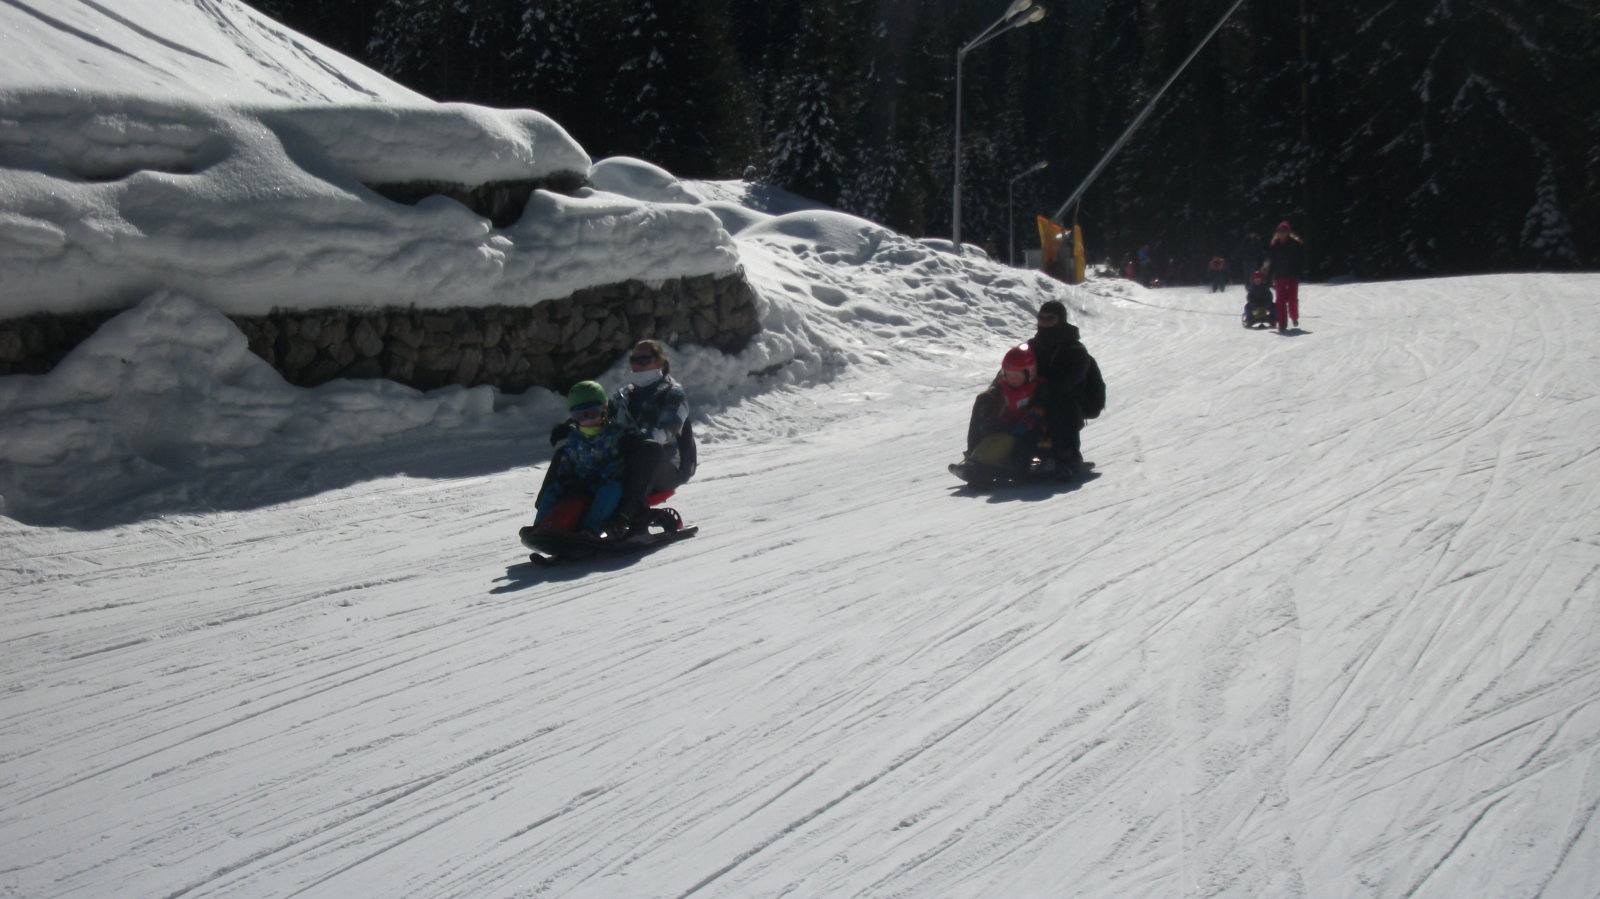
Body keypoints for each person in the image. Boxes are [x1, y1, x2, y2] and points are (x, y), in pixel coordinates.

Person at [605, 339, 690, 535]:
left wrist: (637, 439)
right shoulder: (623, 396)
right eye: (633, 359)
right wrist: (574, 428)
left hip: (663, 468)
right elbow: (601, 422)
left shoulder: (672, 393)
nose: (637, 364)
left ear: (659, 362)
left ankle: (627, 513)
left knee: (649, 447)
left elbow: (668, 429)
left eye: (644, 359)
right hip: (627, 463)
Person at [532, 380, 627, 539]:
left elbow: (619, 462)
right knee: (553, 491)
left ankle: (590, 529)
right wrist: (567, 478)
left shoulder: (613, 435)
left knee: (611, 491)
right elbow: (568, 459)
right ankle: (541, 526)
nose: (587, 420)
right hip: (579, 482)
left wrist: (601, 477)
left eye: (591, 413)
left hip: (602, 483)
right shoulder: (575, 437)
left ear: (603, 409)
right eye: (580, 415)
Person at [1028, 299, 1092, 476]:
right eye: (1041, 318)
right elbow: (1011, 370)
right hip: (1034, 396)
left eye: (1050, 318)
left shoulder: (1074, 349)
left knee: (1059, 404)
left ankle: (1067, 458)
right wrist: (997, 387)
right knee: (987, 399)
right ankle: (980, 455)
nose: (1045, 322)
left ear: (1061, 320)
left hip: (1066, 400)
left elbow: (1066, 383)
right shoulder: (1032, 346)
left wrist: (1043, 392)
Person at [965, 344, 1048, 475]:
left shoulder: (1037, 389)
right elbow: (995, 407)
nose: (1012, 379)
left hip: (1031, 429)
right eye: (1008, 375)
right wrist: (988, 418)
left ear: (1029, 373)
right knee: (994, 435)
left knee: (1025, 441)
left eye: (1016, 375)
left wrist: (1026, 424)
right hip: (1007, 426)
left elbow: (1038, 410)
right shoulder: (1003, 388)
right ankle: (975, 455)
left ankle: (1020, 466)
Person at [1264, 221, 1307, 332]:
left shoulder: (1295, 244)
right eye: (1280, 232)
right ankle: (1282, 322)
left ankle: (1294, 316)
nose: (1282, 234)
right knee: (1280, 301)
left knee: (1292, 298)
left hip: (1293, 275)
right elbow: (1272, 262)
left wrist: (1301, 271)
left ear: (1288, 232)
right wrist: (1268, 277)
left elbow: (1301, 258)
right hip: (1279, 276)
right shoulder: (1275, 246)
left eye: (1284, 231)